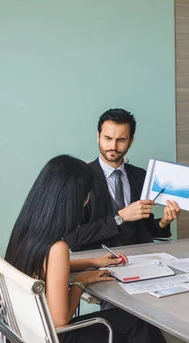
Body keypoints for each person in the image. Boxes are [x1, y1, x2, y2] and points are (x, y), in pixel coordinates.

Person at [5, 155, 178, 343]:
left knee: (129, 322)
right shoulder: (57, 248)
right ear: (74, 198)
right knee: (140, 326)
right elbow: (61, 320)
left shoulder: (24, 231)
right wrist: (81, 282)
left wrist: (93, 261)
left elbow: (43, 267)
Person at [64, 108, 181, 251]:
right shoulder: (79, 178)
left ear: (130, 141)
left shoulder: (140, 175)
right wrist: (120, 217)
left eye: (121, 140)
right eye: (107, 138)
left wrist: (163, 222)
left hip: (141, 258)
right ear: (98, 136)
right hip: (97, 262)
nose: (113, 146)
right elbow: (72, 238)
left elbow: (143, 229)